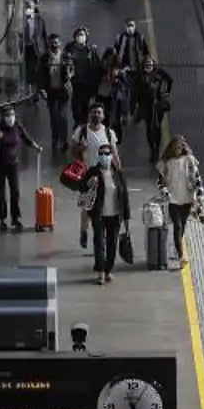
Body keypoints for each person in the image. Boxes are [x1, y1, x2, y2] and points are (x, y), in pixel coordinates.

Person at [0, 104, 41, 233]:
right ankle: (2, 219)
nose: (10, 117)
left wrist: (36, 147)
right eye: (7, 115)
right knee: (1, 192)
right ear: (3, 117)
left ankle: (15, 218)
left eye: (12, 114)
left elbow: (27, 139)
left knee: (15, 191)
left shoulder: (17, 126)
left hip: (13, 164)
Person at [79, 143, 131, 284]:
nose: (104, 156)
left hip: (115, 215)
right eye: (101, 154)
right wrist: (89, 183)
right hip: (98, 214)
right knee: (99, 243)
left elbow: (124, 198)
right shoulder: (93, 172)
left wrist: (127, 221)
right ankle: (100, 272)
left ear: (112, 156)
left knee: (112, 244)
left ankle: (108, 270)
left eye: (107, 154)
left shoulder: (118, 174)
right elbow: (81, 187)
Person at [72, 103, 120, 249]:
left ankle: (99, 238)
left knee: (102, 206)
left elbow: (115, 154)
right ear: (89, 114)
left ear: (103, 116)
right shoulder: (81, 131)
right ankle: (84, 231)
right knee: (87, 206)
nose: (96, 115)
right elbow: (72, 151)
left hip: (105, 175)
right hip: (88, 175)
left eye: (99, 113)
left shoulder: (109, 133)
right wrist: (80, 148)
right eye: (94, 112)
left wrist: (119, 173)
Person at [156, 135, 204, 267]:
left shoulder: (190, 161)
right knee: (177, 226)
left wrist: (199, 198)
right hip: (173, 199)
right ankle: (180, 255)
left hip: (187, 198)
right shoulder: (166, 163)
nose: (178, 150)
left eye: (180, 147)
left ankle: (177, 248)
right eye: (176, 147)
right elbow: (160, 182)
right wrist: (165, 192)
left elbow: (197, 179)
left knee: (182, 225)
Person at [37, 32, 74, 151]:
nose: (54, 45)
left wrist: (69, 74)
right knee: (53, 117)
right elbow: (40, 75)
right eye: (52, 43)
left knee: (63, 116)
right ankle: (55, 138)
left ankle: (64, 140)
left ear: (60, 43)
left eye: (56, 42)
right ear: (48, 43)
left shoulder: (66, 56)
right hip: (51, 91)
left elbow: (72, 70)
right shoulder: (44, 58)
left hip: (63, 91)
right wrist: (41, 89)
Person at [134, 55, 173, 162]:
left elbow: (170, 80)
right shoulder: (140, 74)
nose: (148, 65)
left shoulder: (158, 72)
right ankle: (152, 149)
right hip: (146, 105)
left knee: (157, 126)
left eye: (150, 63)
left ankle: (157, 149)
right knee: (148, 127)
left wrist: (166, 92)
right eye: (146, 63)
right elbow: (135, 90)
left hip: (157, 104)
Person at [66, 26, 101, 127]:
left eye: (82, 35)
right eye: (78, 35)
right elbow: (65, 61)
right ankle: (77, 121)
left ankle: (84, 123)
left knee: (85, 104)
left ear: (86, 37)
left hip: (87, 82)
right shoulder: (70, 48)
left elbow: (97, 65)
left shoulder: (90, 49)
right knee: (75, 104)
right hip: (75, 81)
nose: (80, 37)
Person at [113, 18, 150, 112]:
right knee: (124, 93)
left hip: (137, 70)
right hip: (124, 70)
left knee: (136, 92)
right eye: (128, 26)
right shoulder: (120, 38)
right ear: (125, 27)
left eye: (132, 25)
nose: (130, 28)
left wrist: (146, 67)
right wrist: (117, 68)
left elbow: (146, 53)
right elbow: (115, 53)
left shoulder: (140, 38)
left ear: (135, 26)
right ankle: (124, 113)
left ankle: (134, 110)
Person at [20, 0, 48, 89]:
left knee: (36, 68)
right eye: (25, 7)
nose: (27, 9)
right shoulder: (21, 20)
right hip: (25, 47)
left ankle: (36, 87)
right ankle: (28, 86)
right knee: (27, 69)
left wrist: (46, 49)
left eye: (29, 7)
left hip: (36, 47)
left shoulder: (39, 20)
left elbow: (44, 35)